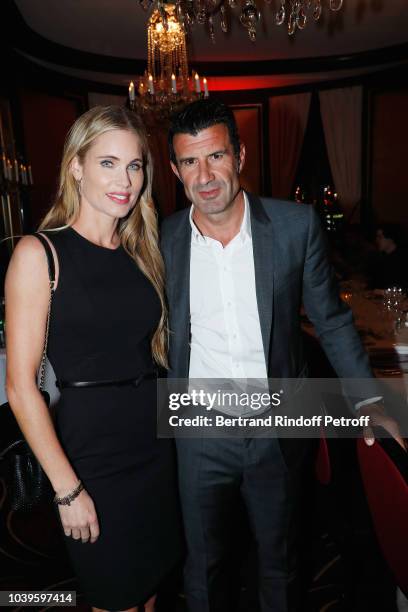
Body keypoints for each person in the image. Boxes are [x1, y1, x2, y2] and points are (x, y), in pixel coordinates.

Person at [160, 99, 403, 612]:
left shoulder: (295, 227)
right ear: (175, 168)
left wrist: (366, 401)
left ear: (240, 155)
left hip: (278, 423)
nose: (204, 177)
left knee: (282, 562)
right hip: (198, 429)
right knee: (202, 566)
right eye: (189, 162)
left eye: (216, 157)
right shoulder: (160, 240)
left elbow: (332, 321)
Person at [5, 105, 182, 612]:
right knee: (115, 594)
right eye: (108, 163)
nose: (125, 180)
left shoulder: (143, 253)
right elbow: (20, 386)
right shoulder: (40, 254)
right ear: (77, 167)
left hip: (154, 446)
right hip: (93, 457)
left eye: (134, 165)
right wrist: (67, 490)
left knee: (148, 591)